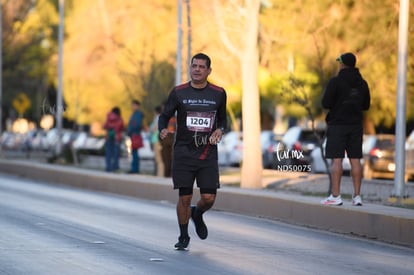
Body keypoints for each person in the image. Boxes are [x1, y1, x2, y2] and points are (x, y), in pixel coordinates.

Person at [158, 53, 227, 250]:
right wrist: (162, 129)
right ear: (190, 68)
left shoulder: (218, 93)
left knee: (209, 198)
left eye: (201, 67)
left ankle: (197, 213)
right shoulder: (179, 92)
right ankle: (183, 236)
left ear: (209, 71)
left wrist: (220, 130)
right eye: (194, 65)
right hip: (183, 153)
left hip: (207, 154)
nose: (197, 69)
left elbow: (223, 120)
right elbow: (164, 116)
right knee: (184, 197)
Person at [320, 52, 370, 206]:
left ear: (342, 64)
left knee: (337, 160)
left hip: (338, 125)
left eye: (339, 63)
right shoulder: (362, 83)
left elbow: (325, 103)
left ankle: (336, 196)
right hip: (355, 125)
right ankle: (357, 197)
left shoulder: (335, 81)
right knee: (355, 160)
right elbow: (366, 105)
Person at [103, 106, 124, 172]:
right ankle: (115, 167)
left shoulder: (108, 118)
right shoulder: (119, 119)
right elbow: (121, 127)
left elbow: (104, 126)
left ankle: (108, 167)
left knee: (108, 153)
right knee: (116, 153)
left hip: (108, 137)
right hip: (116, 137)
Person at [127, 100, 144, 174]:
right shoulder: (134, 114)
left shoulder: (138, 114)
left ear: (137, 106)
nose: (132, 107)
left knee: (135, 152)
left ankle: (135, 169)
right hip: (133, 134)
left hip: (135, 134)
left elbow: (137, 124)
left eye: (134, 105)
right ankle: (134, 168)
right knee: (133, 152)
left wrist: (130, 130)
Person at [149, 105, 164, 177]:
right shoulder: (162, 118)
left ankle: (160, 174)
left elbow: (153, 128)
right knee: (159, 159)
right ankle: (160, 174)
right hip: (158, 139)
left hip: (156, 139)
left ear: (155, 111)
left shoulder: (157, 118)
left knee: (159, 159)